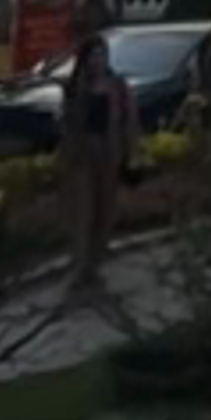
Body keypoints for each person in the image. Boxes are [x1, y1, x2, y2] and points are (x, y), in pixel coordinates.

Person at [55, 22, 132, 293]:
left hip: (108, 154)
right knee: (83, 212)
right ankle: (79, 267)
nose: (98, 61)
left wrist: (129, 152)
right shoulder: (75, 88)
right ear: (84, 60)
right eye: (93, 56)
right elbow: (67, 124)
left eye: (102, 55)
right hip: (82, 155)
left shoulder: (117, 85)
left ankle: (94, 265)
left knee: (104, 212)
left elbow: (127, 122)